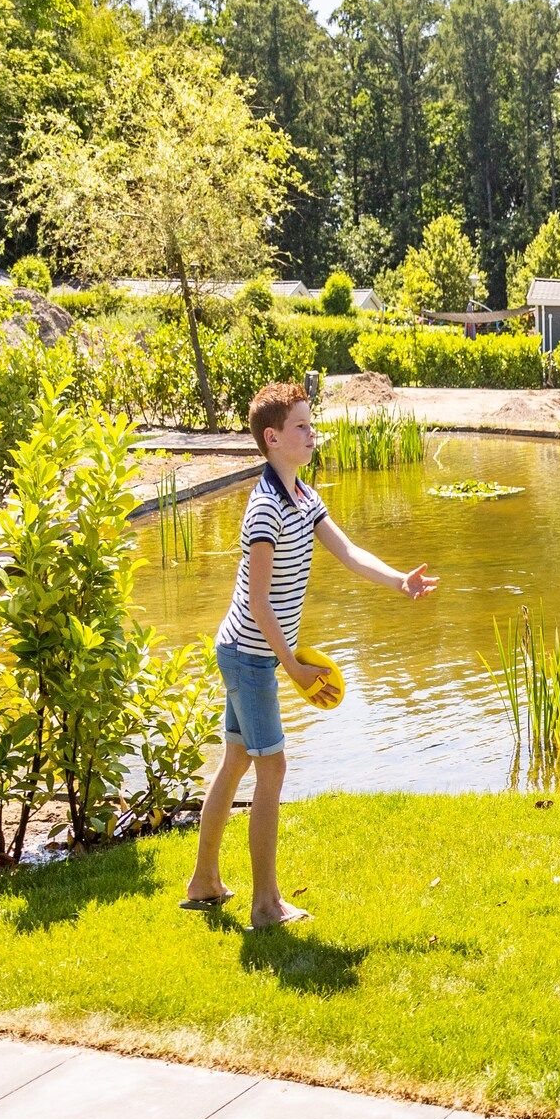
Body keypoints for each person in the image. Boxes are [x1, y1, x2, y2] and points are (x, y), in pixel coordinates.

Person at [183, 381, 438, 927]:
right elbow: (259, 603)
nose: (312, 432)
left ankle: (204, 881)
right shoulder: (265, 510)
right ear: (272, 438)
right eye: (301, 425)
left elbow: (347, 551)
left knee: (237, 761)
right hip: (250, 655)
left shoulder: (303, 496)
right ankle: (265, 904)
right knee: (271, 767)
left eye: (311, 423)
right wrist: (292, 666)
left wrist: (399, 581)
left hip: (248, 652)